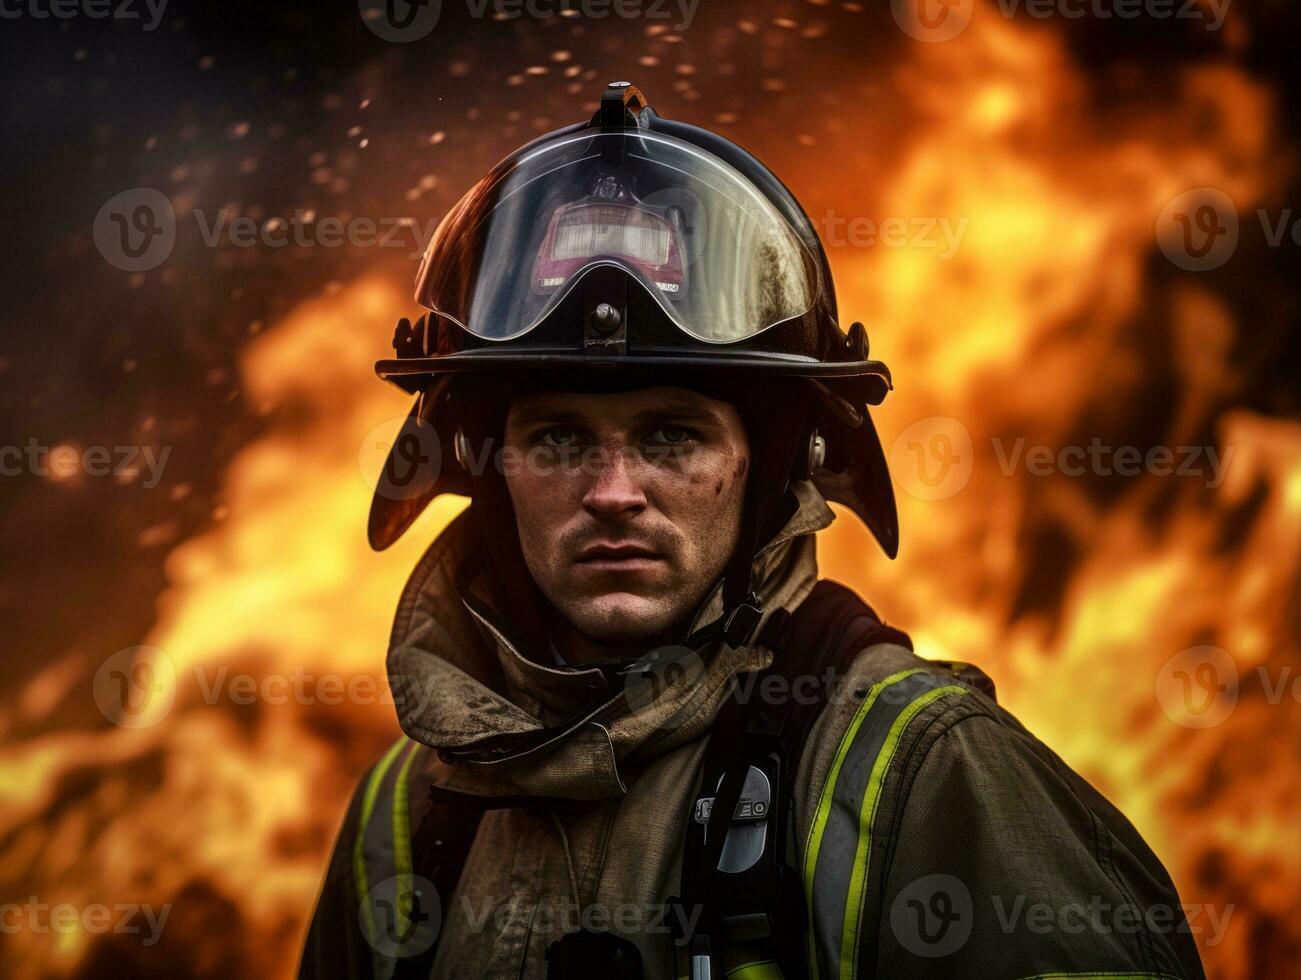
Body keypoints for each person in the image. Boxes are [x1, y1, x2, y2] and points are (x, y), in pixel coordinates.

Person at [299, 82, 1206, 980]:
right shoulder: (407, 813)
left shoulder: (925, 777)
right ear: (485, 470)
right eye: (559, 436)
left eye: (672, 435)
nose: (614, 491)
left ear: (772, 465)